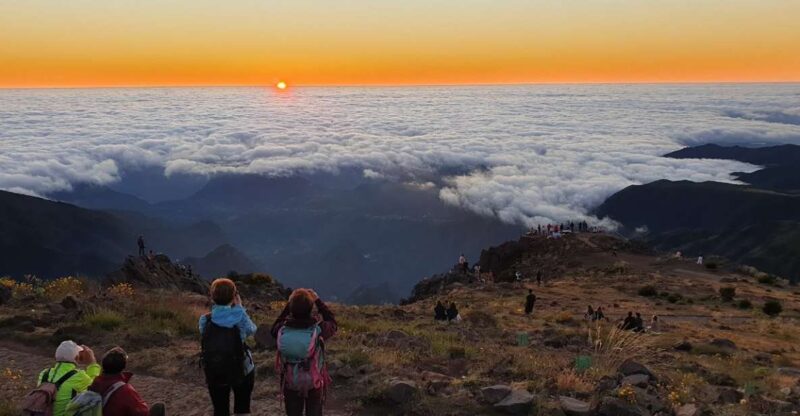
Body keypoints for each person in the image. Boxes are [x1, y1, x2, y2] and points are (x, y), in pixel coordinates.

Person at [271, 288, 337, 416]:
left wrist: (289, 304)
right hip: (313, 381)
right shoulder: (318, 329)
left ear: (291, 308)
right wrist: (318, 301)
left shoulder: (281, 329)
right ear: (310, 308)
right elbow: (333, 323)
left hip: (290, 381)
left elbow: (275, 325)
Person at [200, 278, 258, 416]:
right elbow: (252, 329)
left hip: (214, 368)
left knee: (220, 409)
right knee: (242, 408)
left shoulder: (205, 319)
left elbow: (203, 334)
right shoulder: (240, 317)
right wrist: (239, 308)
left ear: (212, 297)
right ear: (234, 297)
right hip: (242, 367)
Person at [86, 347, 165, 416]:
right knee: (159, 407)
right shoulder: (124, 390)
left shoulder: (94, 384)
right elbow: (142, 413)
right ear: (123, 366)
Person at [30, 341, 101, 416]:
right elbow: (95, 387)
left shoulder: (44, 374)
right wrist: (92, 363)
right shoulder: (79, 376)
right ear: (77, 358)